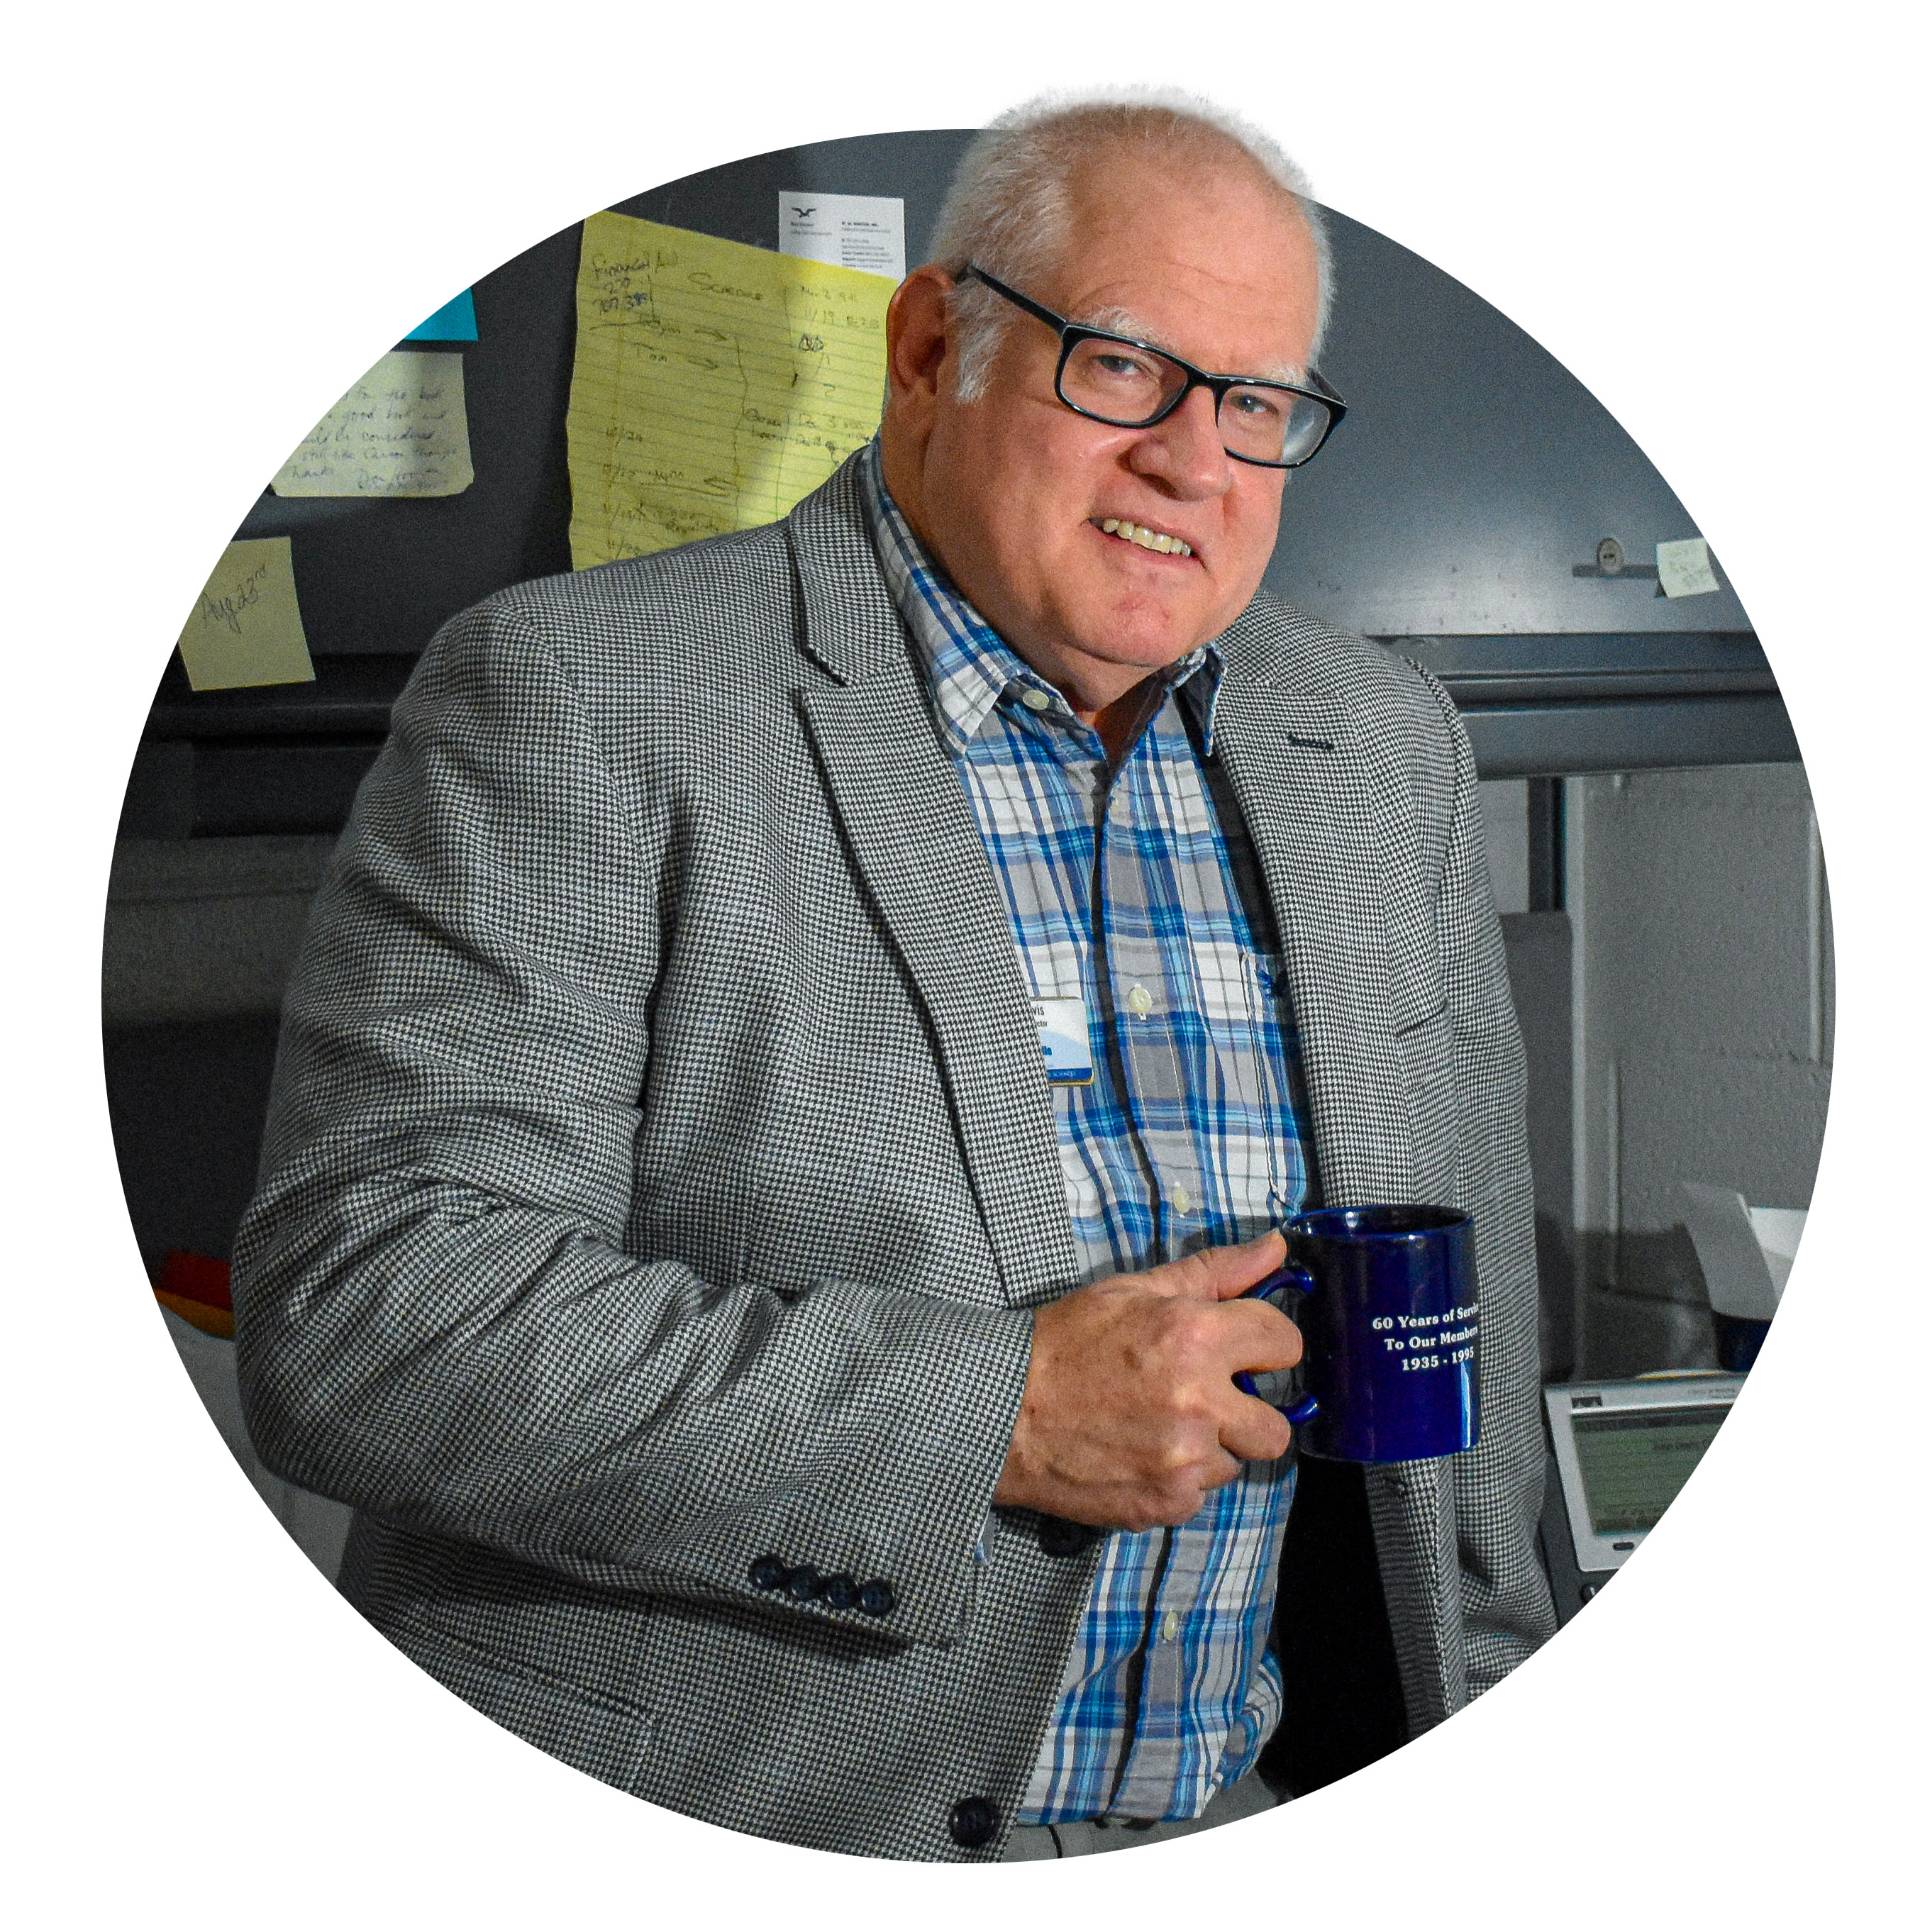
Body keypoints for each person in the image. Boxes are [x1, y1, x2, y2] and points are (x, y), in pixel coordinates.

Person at [232, 89, 1556, 1864]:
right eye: (1126, 368)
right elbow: (373, 1316)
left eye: (1255, 405)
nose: (1194, 461)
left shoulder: (1379, 743)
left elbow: (1461, 1337)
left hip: (1247, 1806)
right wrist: (992, 1420)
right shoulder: (586, 694)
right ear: (934, 346)